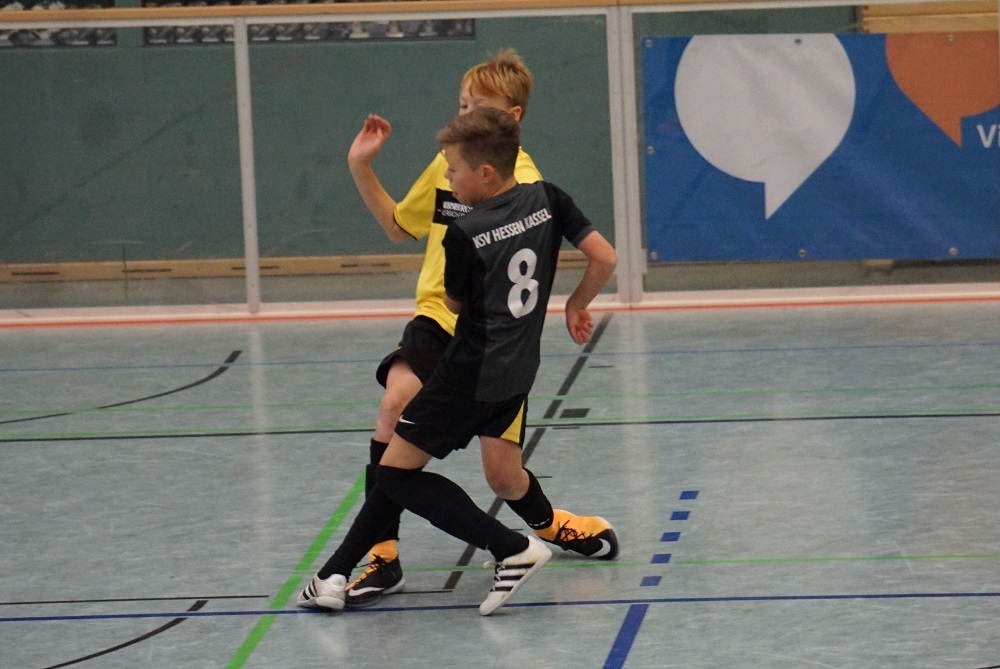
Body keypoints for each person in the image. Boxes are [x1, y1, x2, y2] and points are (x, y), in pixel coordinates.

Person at [299, 106, 618, 616]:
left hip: (468, 372)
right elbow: (604, 256)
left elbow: (453, 304)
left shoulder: (465, 233)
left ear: (485, 172)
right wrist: (576, 303)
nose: (447, 178)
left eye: (453, 170)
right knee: (446, 468)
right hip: (519, 369)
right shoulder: (549, 197)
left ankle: (510, 548)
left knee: (394, 473)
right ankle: (332, 573)